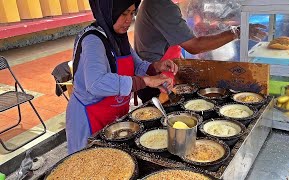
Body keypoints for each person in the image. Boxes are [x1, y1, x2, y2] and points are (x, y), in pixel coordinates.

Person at [66, 0, 178, 154]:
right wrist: (145, 81)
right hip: (90, 118)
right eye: (124, 13)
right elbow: (96, 83)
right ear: (108, 11)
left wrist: (155, 67)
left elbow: (136, 65)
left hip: (114, 116)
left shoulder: (119, 37)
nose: (128, 20)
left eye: (132, 13)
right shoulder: (93, 40)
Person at [134, 0, 267, 103]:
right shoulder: (161, 5)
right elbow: (193, 46)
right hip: (155, 80)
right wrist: (237, 32)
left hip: (164, 74)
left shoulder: (161, 4)